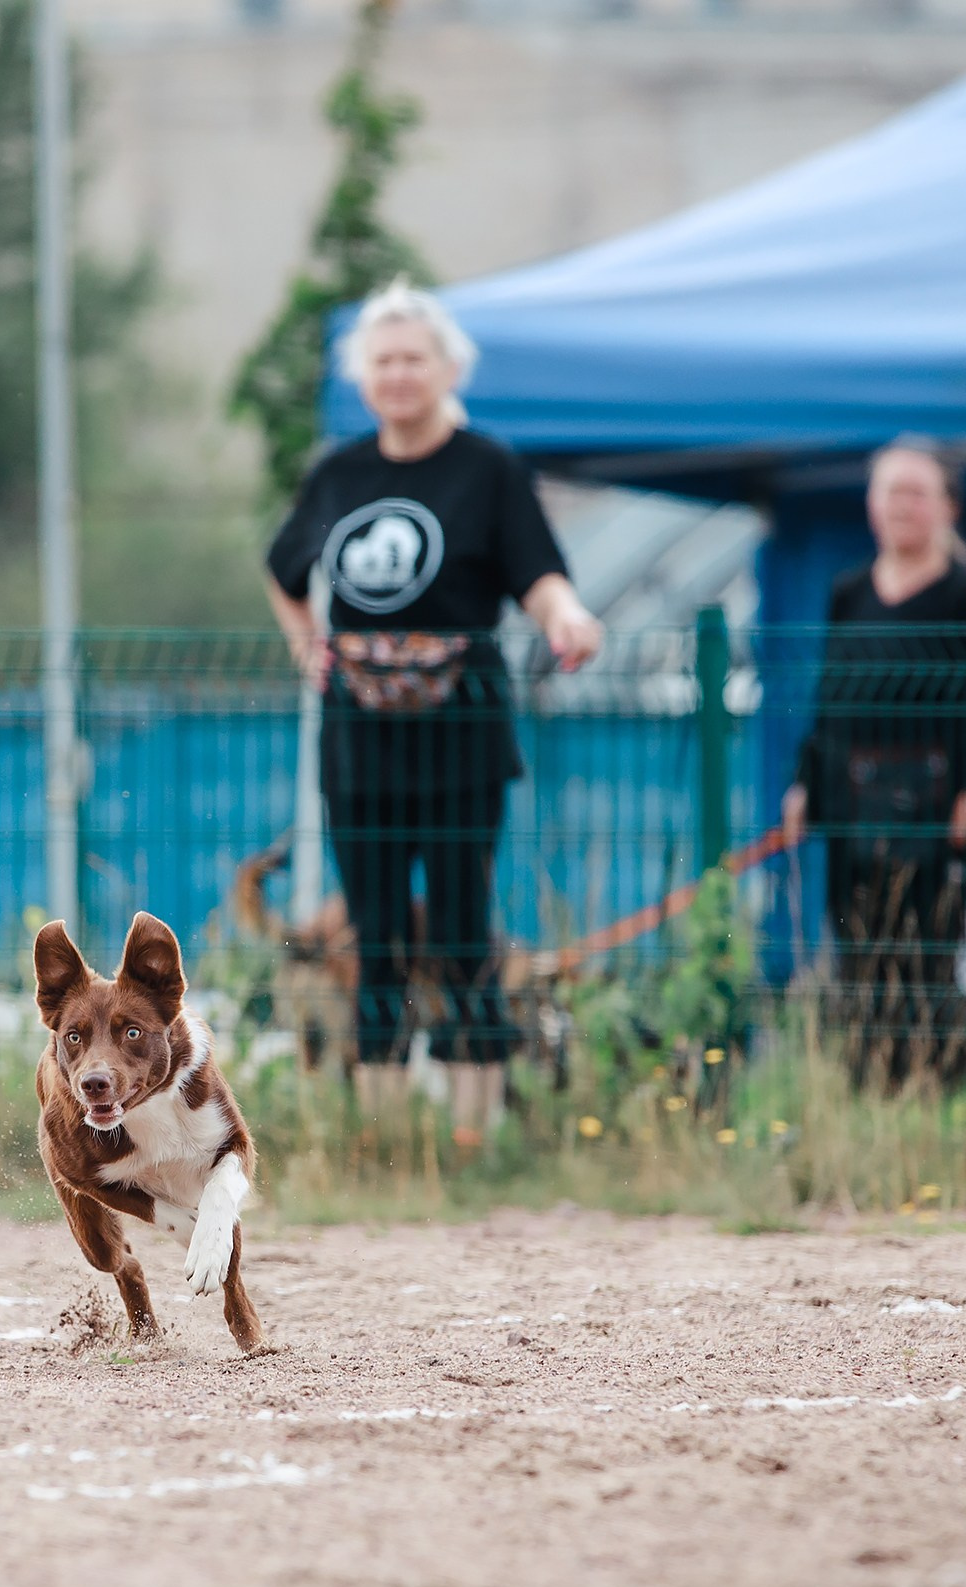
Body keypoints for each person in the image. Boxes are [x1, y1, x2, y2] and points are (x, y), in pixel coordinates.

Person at [262, 281, 603, 1151]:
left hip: (463, 732)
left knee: (459, 928)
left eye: (415, 358)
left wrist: (566, 619)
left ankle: (470, 1138)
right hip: (359, 737)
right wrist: (308, 645)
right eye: (384, 361)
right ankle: (385, 1141)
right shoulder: (339, 471)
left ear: (449, 368)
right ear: (363, 378)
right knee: (373, 934)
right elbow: (282, 568)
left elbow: (539, 572)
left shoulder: (487, 466)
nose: (400, 374)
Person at [783, 438, 966, 1085]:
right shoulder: (847, 595)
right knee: (859, 956)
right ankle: (871, 1098)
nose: (902, 506)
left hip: (941, 815)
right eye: (890, 491)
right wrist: (806, 783)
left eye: (917, 492)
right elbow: (828, 705)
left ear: (947, 507)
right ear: (870, 504)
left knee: (943, 960)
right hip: (854, 813)